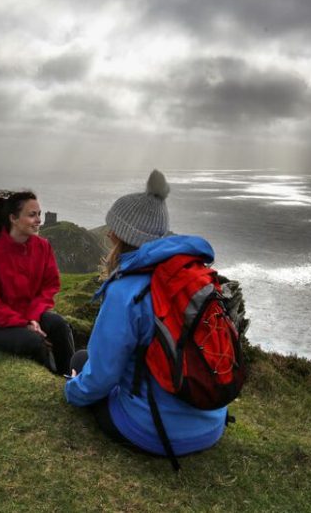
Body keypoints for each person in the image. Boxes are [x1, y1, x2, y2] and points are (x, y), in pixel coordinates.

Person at [64, 170, 228, 458]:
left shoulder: (126, 290)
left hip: (155, 432)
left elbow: (102, 377)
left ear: (117, 234)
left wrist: (71, 391)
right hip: (211, 423)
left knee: (80, 360)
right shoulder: (192, 275)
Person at [0, 189, 75, 375]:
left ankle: (72, 378)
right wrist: (24, 323)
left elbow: (50, 286)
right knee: (34, 342)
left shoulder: (43, 247)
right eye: (32, 215)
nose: (39, 220)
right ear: (13, 218)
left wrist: (33, 318)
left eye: (39, 214)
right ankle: (52, 382)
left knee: (60, 326)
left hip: (31, 316)